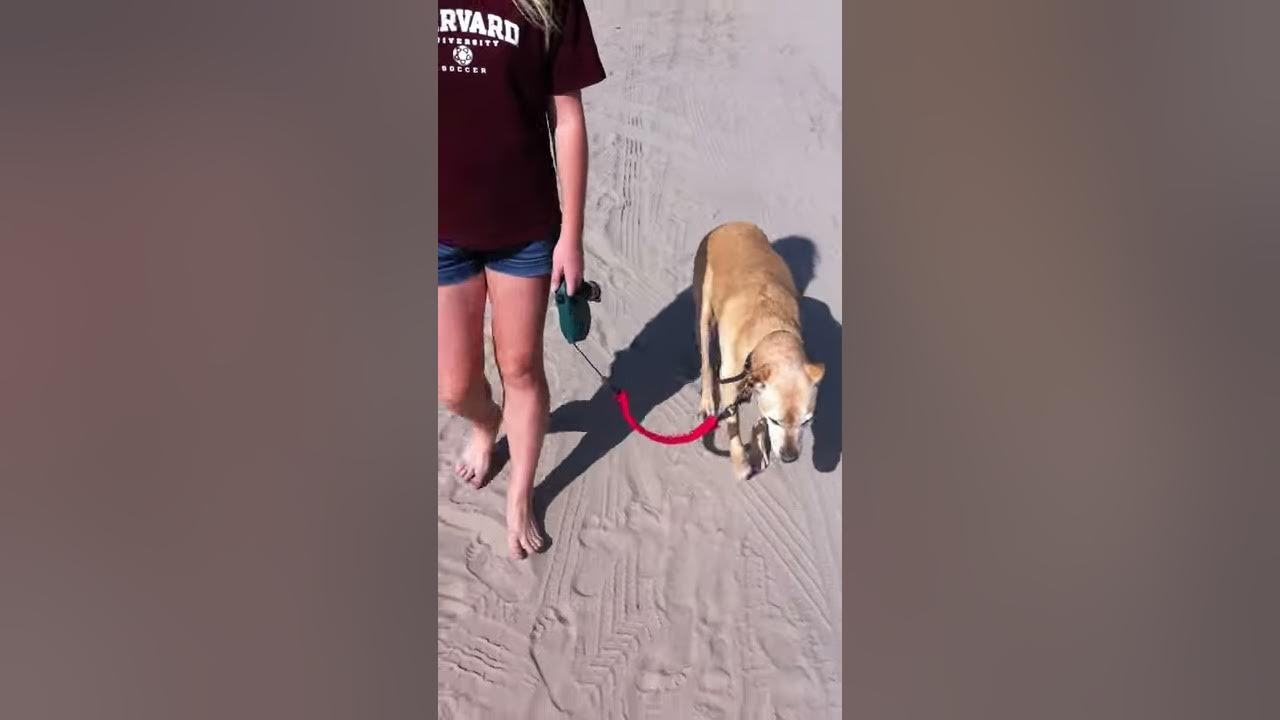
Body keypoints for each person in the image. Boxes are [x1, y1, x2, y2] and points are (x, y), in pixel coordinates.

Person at [438, 0, 606, 559]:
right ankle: (487, 425)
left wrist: (571, 236)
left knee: (521, 366)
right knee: (455, 386)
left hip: (525, 230)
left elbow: (569, 117)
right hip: (441, 228)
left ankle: (520, 495)